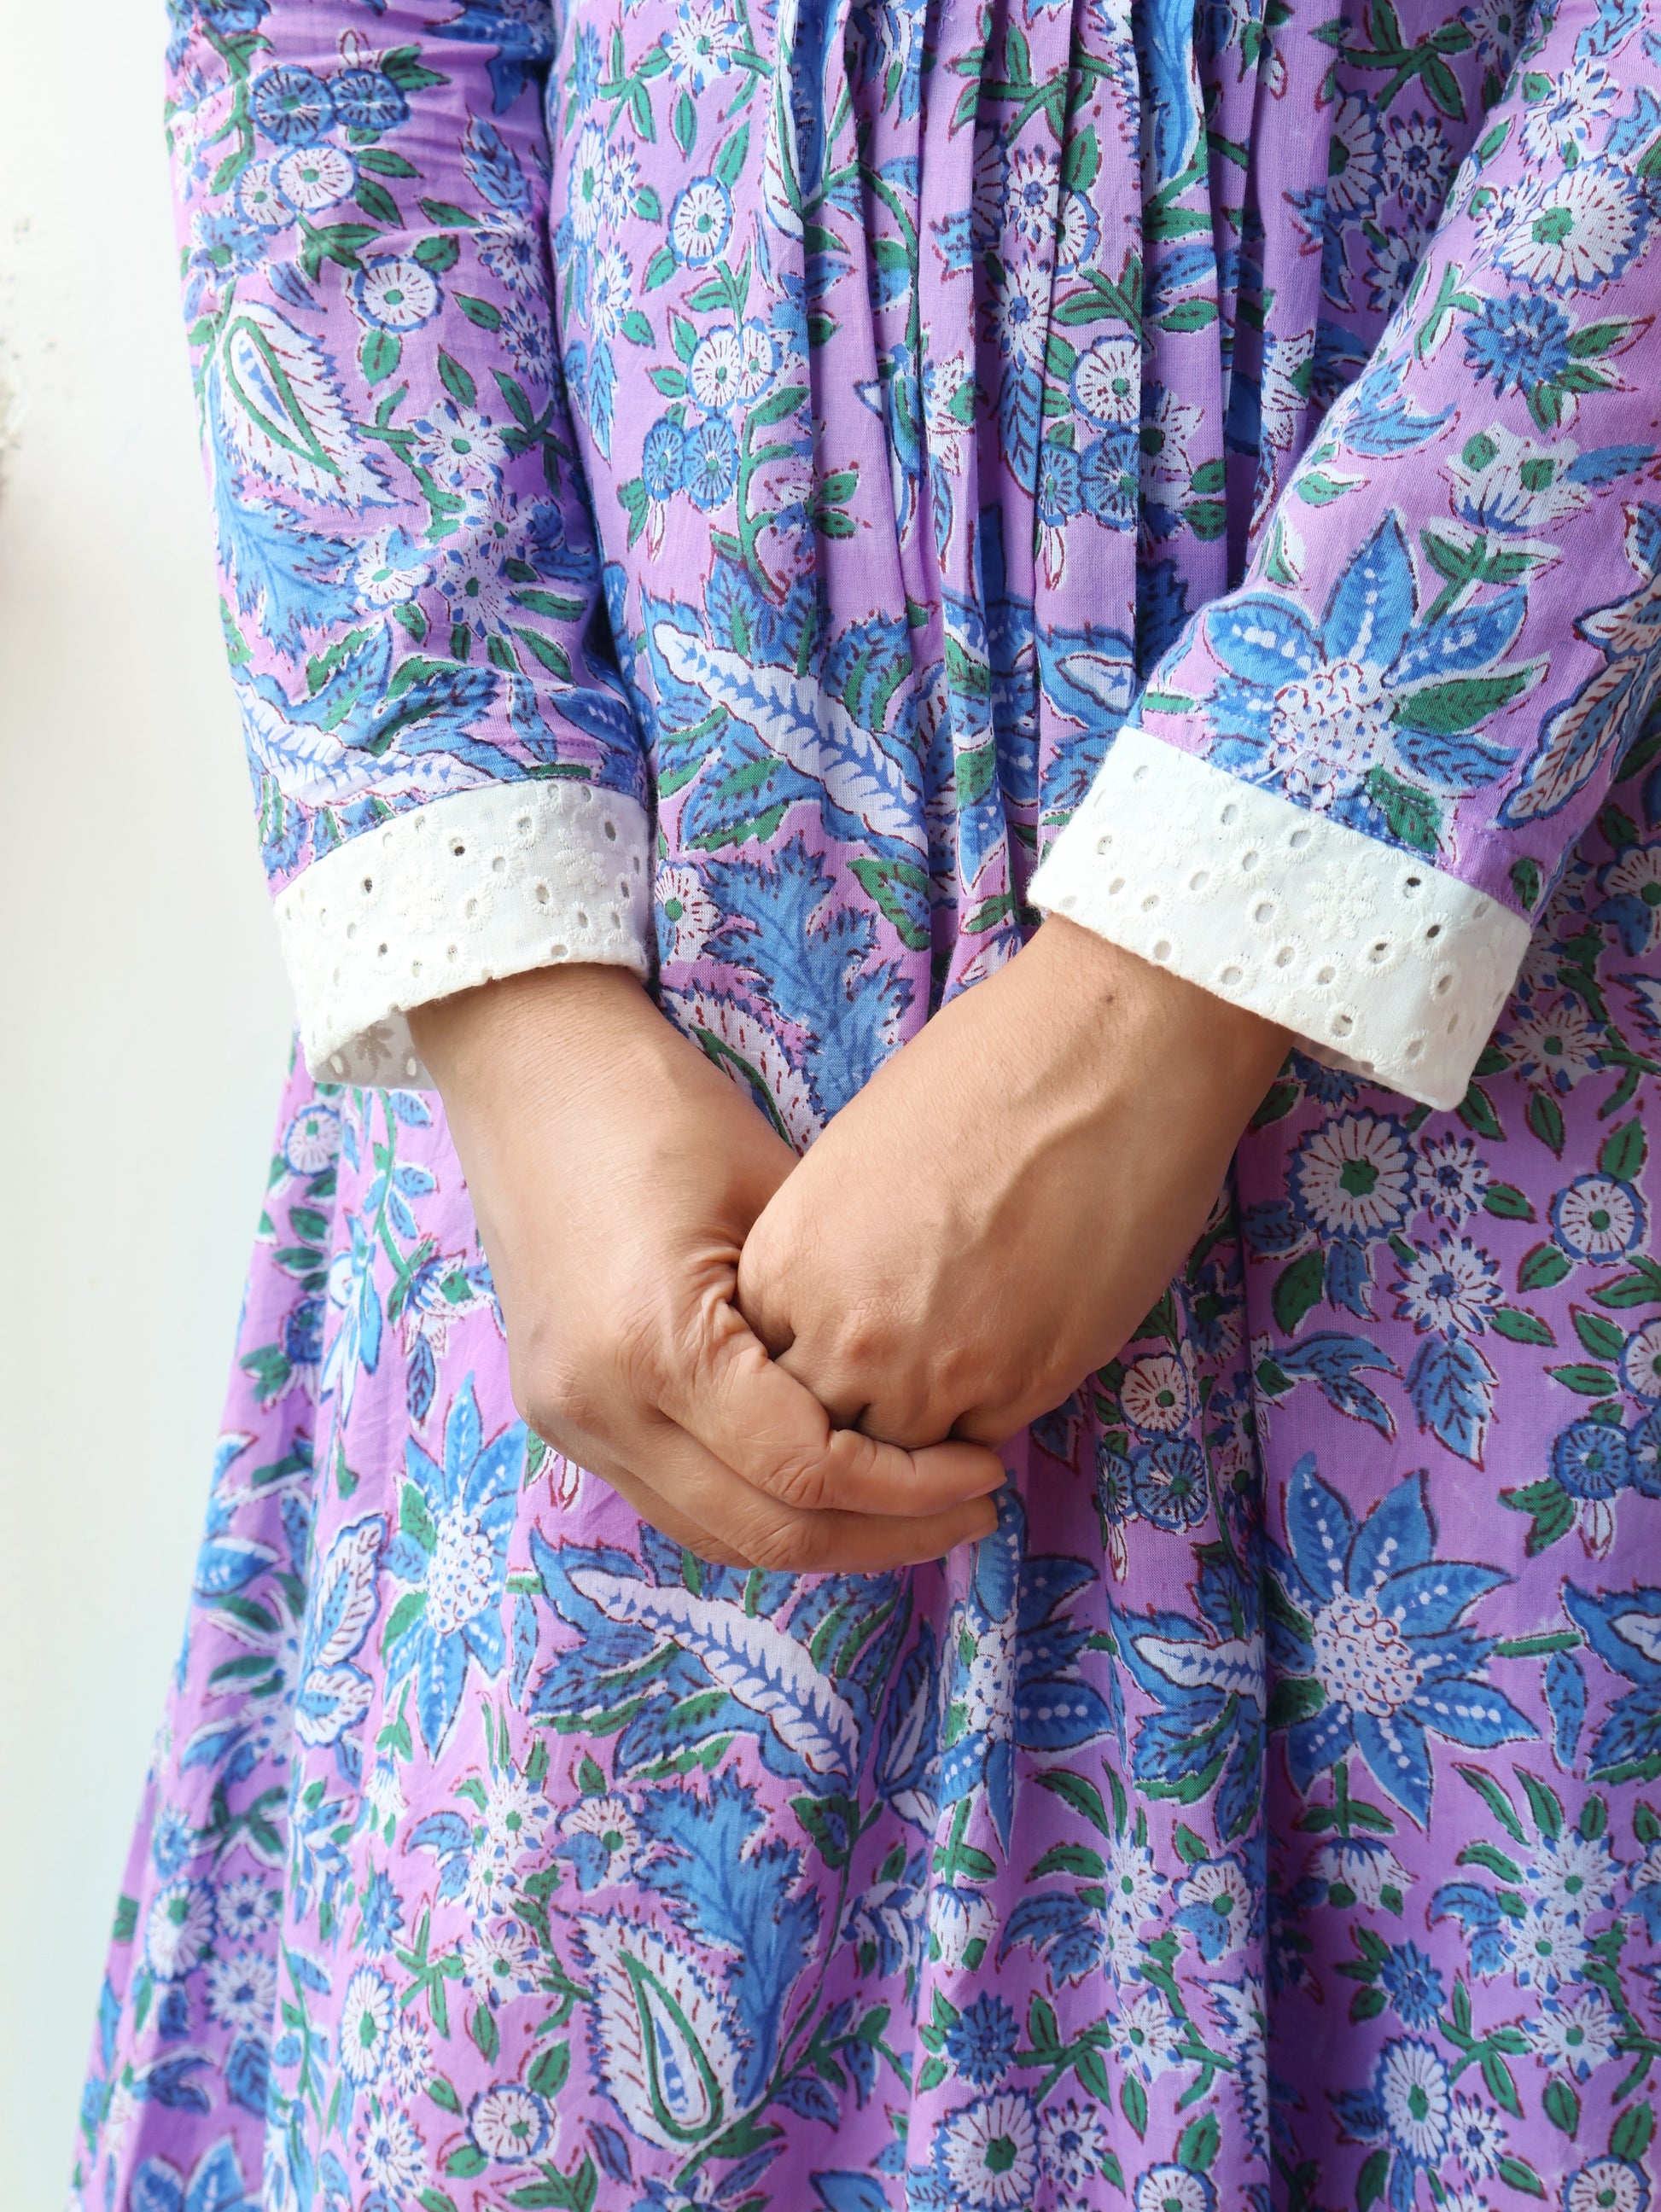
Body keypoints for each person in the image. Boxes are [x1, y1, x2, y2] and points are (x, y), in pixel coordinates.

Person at [71, 0, 1661, 2204]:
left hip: (1456, 1094)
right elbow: (330, 39)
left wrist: (1206, 952)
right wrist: (520, 1009)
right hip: (626, 1148)